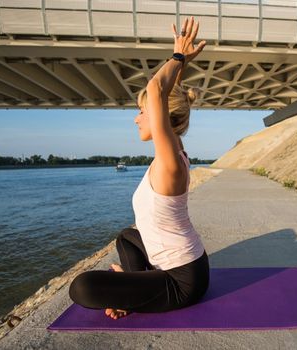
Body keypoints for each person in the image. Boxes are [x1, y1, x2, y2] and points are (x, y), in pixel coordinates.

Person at [68, 16, 209, 320]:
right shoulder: (174, 153)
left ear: (159, 116)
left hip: (182, 281)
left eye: (141, 111)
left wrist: (178, 56)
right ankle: (135, 286)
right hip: (186, 263)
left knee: (82, 288)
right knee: (126, 236)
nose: (137, 118)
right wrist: (180, 67)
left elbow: (157, 88)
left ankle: (132, 292)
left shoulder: (171, 160)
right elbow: (165, 92)